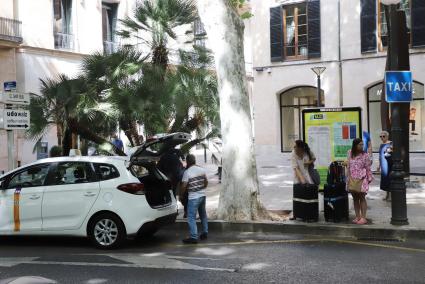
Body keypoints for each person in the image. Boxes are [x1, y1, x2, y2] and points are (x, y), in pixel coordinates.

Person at [180, 154, 208, 244]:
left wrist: (181, 195)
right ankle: (205, 232)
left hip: (193, 197)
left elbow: (184, 186)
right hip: (202, 196)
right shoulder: (202, 169)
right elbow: (206, 182)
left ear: (187, 162)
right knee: (203, 214)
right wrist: (202, 188)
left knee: (191, 217)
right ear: (195, 160)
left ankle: (193, 236)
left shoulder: (187, 172)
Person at [346, 138, 373, 225]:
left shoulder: (365, 155)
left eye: (362, 144)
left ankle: (363, 217)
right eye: (360, 144)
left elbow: (368, 168)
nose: (362, 146)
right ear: (355, 145)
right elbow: (349, 166)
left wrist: (369, 179)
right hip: (352, 178)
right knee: (355, 198)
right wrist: (348, 178)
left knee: (362, 197)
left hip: (362, 178)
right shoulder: (349, 153)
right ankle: (357, 216)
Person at [377, 131, 393, 201]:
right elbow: (380, 155)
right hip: (383, 163)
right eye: (380, 136)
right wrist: (379, 165)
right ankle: (387, 194)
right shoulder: (381, 144)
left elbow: (393, 152)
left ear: (387, 136)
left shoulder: (391, 143)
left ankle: (390, 196)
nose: (382, 138)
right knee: (385, 179)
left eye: (383, 136)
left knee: (389, 178)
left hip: (389, 163)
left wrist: (390, 150)